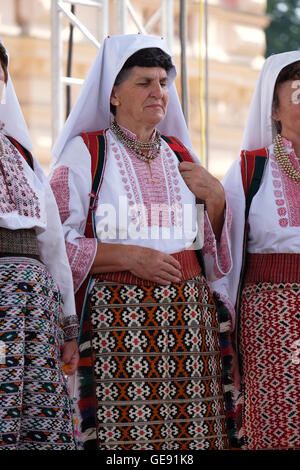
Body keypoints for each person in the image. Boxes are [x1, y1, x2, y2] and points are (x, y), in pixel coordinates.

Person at [49, 33, 237, 451]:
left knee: (195, 437)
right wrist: (129, 256)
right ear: (113, 94)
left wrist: (217, 198)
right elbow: (55, 243)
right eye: (143, 83)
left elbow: (212, 252)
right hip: (118, 324)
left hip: (190, 327)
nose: (158, 92)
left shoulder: (180, 154)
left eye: (163, 83)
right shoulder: (86, 154)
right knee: (126, 441)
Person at [211, 51, 300, 450]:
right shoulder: (249, 170)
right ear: (275, 110)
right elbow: (225, 260)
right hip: (269, 321)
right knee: (276, 424)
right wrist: (226, 340)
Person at [0, 42, 79, 450]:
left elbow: (53, 250)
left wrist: (67, 326)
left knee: (38, 425)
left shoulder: (22, 156)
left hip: (35, 314)